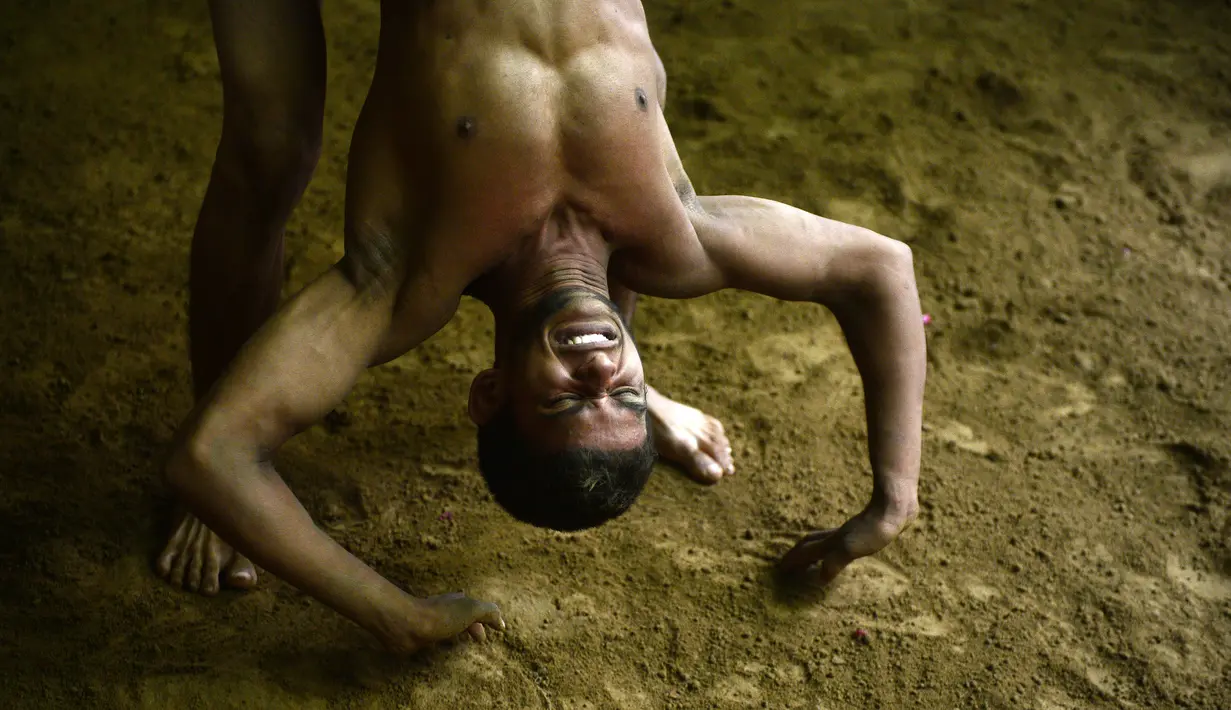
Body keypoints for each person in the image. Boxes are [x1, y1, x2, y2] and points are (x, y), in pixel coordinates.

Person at [159, 0, 926, 654]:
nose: (599, 374)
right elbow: (879, 269)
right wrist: (893, 501)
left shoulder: (403, 280)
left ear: (489, 392)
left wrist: (394, 612)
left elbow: (215, 452)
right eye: (620, 395)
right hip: (610, 277)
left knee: (270, 150)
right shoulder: (678, 242)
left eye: (568, 400)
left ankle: (221, 481)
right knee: (609, 273)